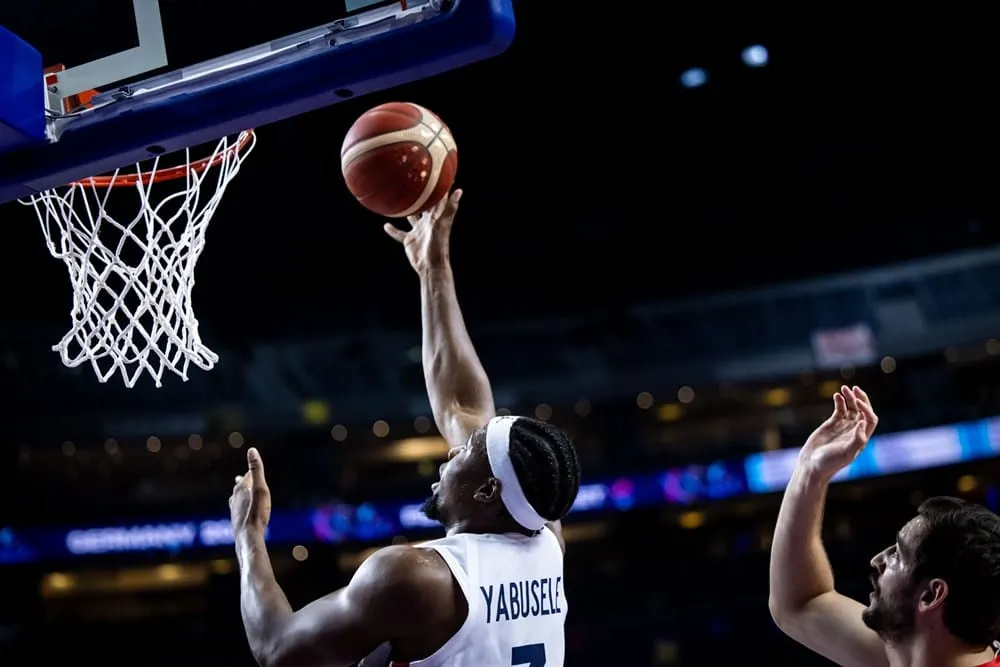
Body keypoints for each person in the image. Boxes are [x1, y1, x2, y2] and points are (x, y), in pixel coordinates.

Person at [230, 189, 581, 667]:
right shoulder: (543, 536)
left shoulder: (414, 577)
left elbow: (277, 649)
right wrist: (434, 271)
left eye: (467, 451)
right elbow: (460, 404)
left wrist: (248, 536)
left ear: (487, 492)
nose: (453, 450)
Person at [768, 384, 1000, 667]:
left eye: (898, 555)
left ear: (930, 595)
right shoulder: (913, 654)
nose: (877, 559)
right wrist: (810, 471)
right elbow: (801, 604)